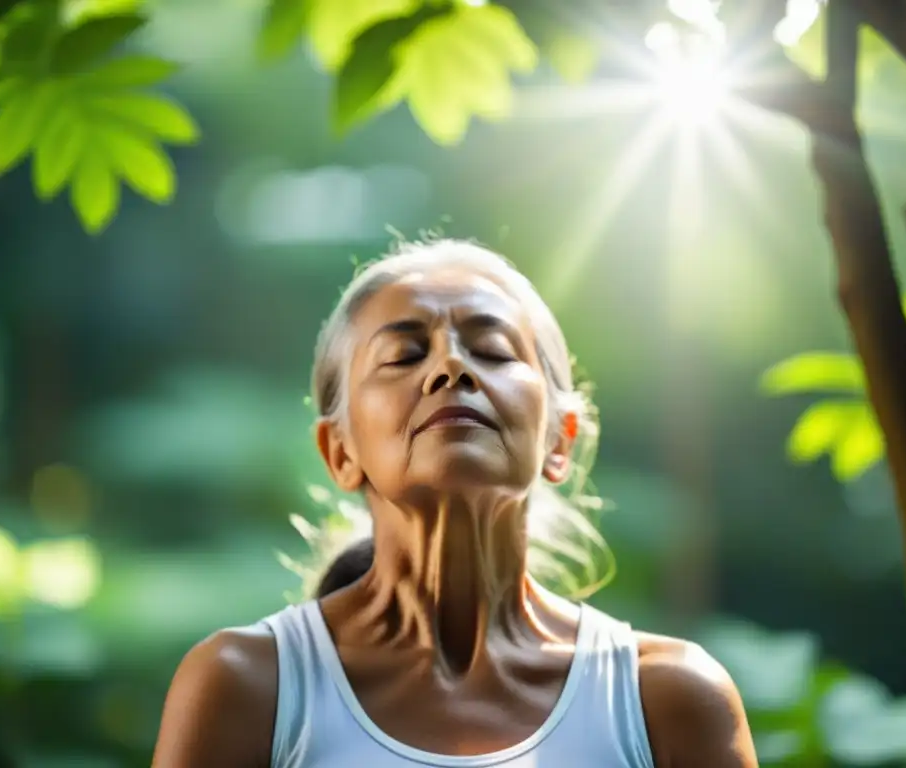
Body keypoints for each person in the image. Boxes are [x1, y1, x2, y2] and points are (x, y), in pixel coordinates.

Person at [151, 239, 758, 767]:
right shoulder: (249, 688)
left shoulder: (669, 699)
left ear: (558, 440)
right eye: (404, 356)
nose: (451, 366)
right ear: (339, 451)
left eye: (492, 351)